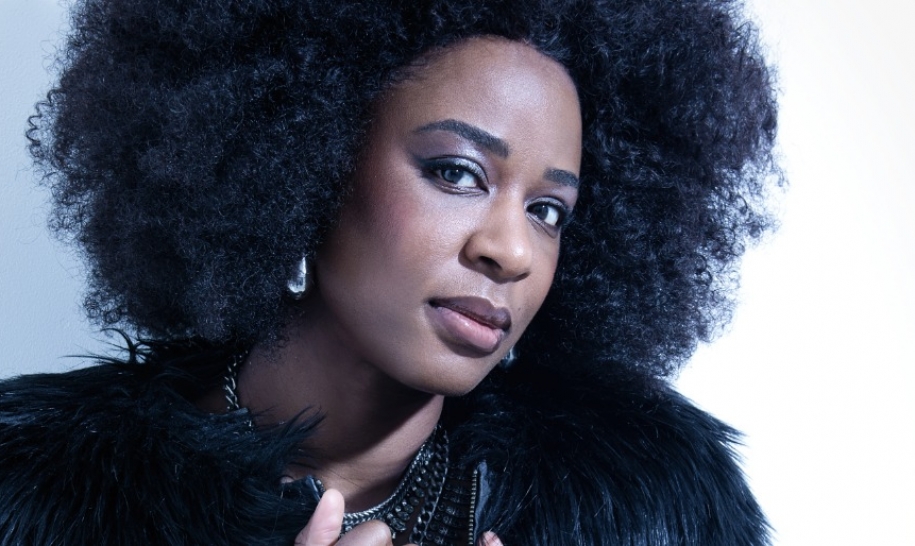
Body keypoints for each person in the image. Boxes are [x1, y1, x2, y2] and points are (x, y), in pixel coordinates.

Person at [0, 0, 780, 544]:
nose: (511, 251)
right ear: (309, 161)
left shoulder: (652, 507)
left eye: (548, 212)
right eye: (456, 172)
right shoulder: (37, 493)